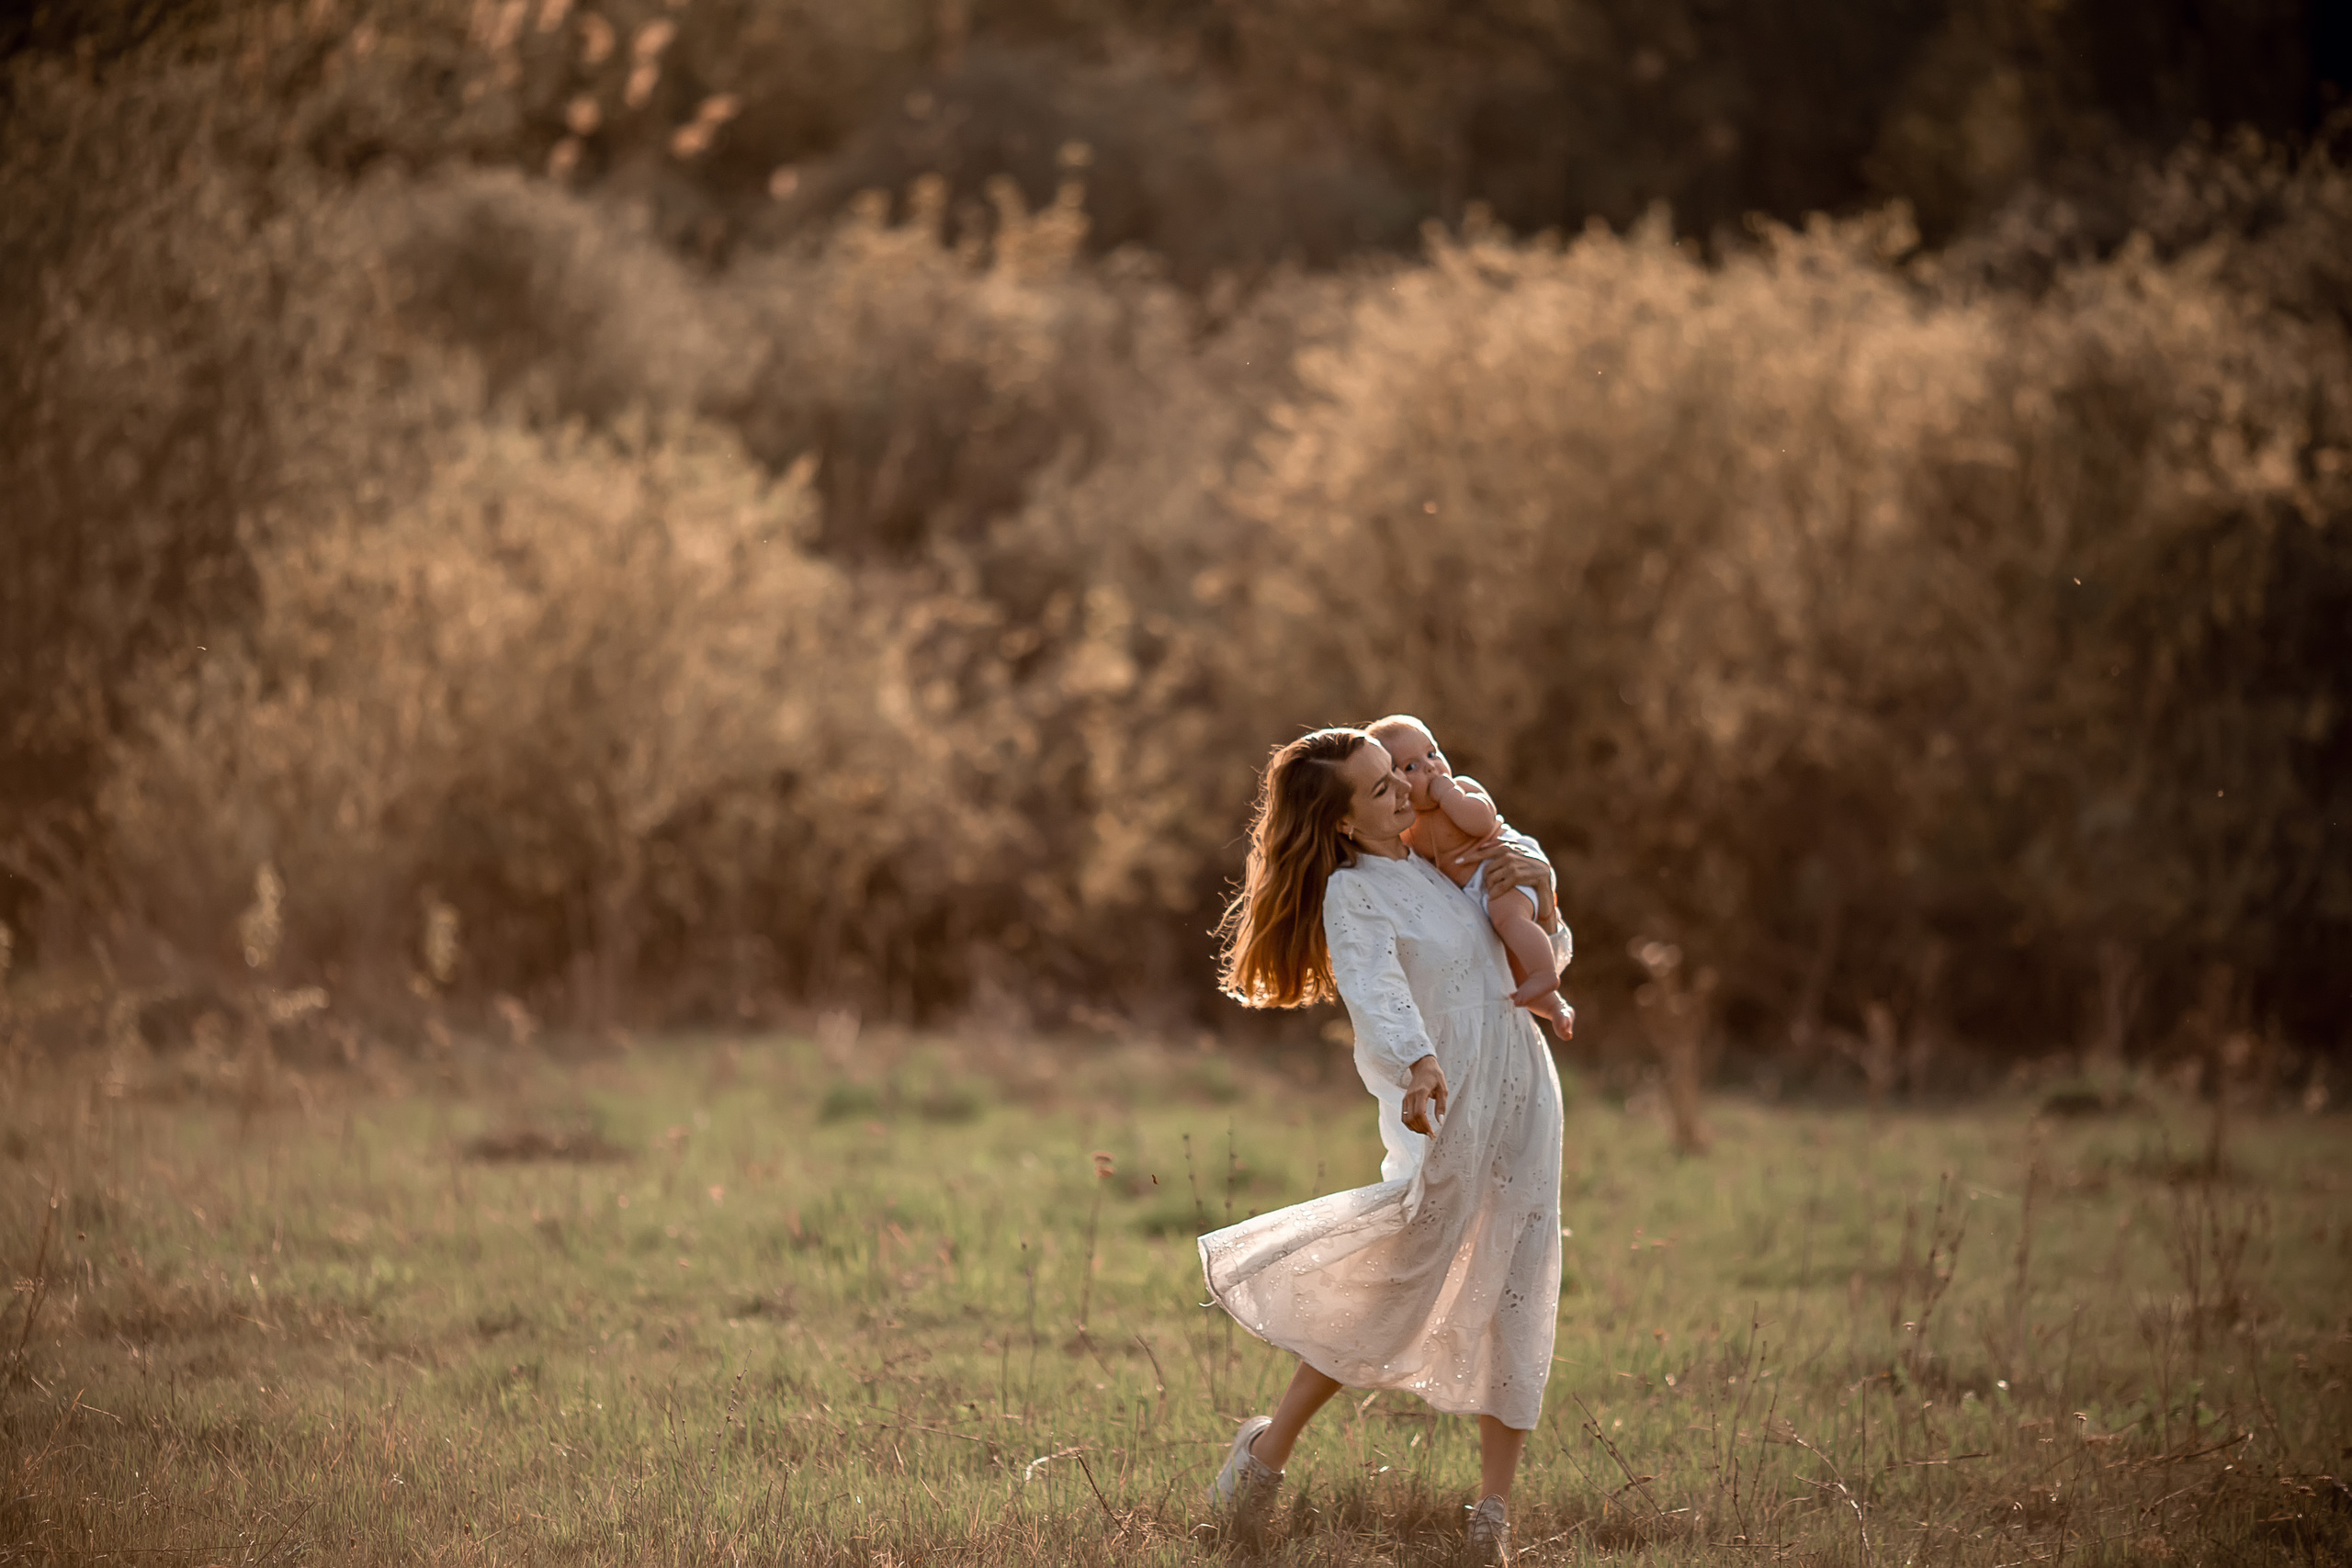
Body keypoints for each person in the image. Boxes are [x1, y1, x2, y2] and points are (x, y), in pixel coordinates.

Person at [1200, 727, 1568, 1566]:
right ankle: (1262, 1459)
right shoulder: (1358, 893)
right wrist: (1418, 1060)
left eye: (1398, 773)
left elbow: (1528, 958)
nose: (1407, 789)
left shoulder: (1444, 858)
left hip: (1524, 1094)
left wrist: (1543, 892)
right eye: (1381, 788)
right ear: (1341, 823)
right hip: (1447, 1104)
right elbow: (1374, 986)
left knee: (1520, 1273)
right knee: (1397, 1281)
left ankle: (1494, 1512)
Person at [1368, 714, 1575, 1040]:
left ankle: (1544, 973)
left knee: (1509, 919)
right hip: (1477, 893)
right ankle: (1551, 1004)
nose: (1430, 768)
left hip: (1502, 870)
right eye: (1411, 767)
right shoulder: (1408, 828)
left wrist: (1449, 795)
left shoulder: (1462, 788)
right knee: (1508, 953)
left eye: (1432, 754)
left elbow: (1481, 822)